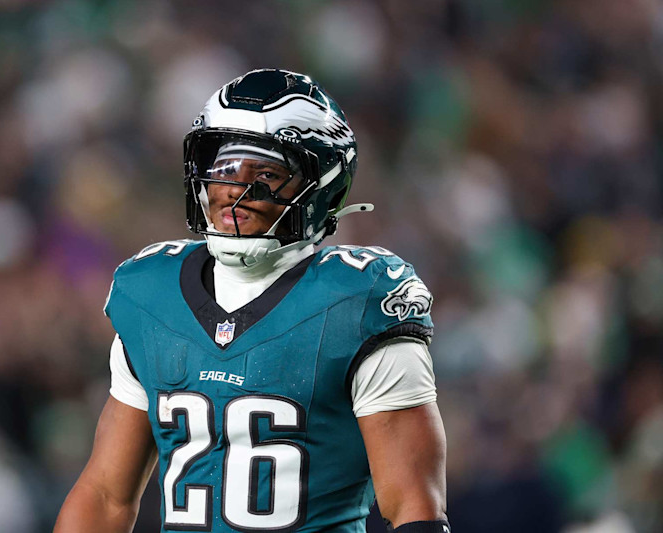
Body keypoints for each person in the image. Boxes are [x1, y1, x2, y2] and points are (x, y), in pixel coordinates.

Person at [54, 69, 449, 533]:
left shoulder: (357, 300)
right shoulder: (152, 296)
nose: (235, 190)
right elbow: (105, 495)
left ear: (322, 189)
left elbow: (414, 509)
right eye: (223, 168)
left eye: (265, 173)